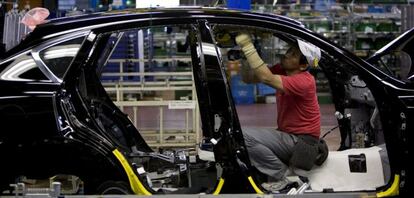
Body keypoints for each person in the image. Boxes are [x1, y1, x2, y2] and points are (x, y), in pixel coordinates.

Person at [235, 33, 327, 192]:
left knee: (243, 137)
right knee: (239, 137)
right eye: (288, 51)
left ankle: (285, 177)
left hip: (302, 144)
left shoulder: (304, 81)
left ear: (303, 65)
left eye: (292, 54)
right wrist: (245, 56)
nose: (286, 55)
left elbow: (265, 77)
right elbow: (249, 78)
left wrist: (248, 46)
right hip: (290, 138)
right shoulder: (284, 71)